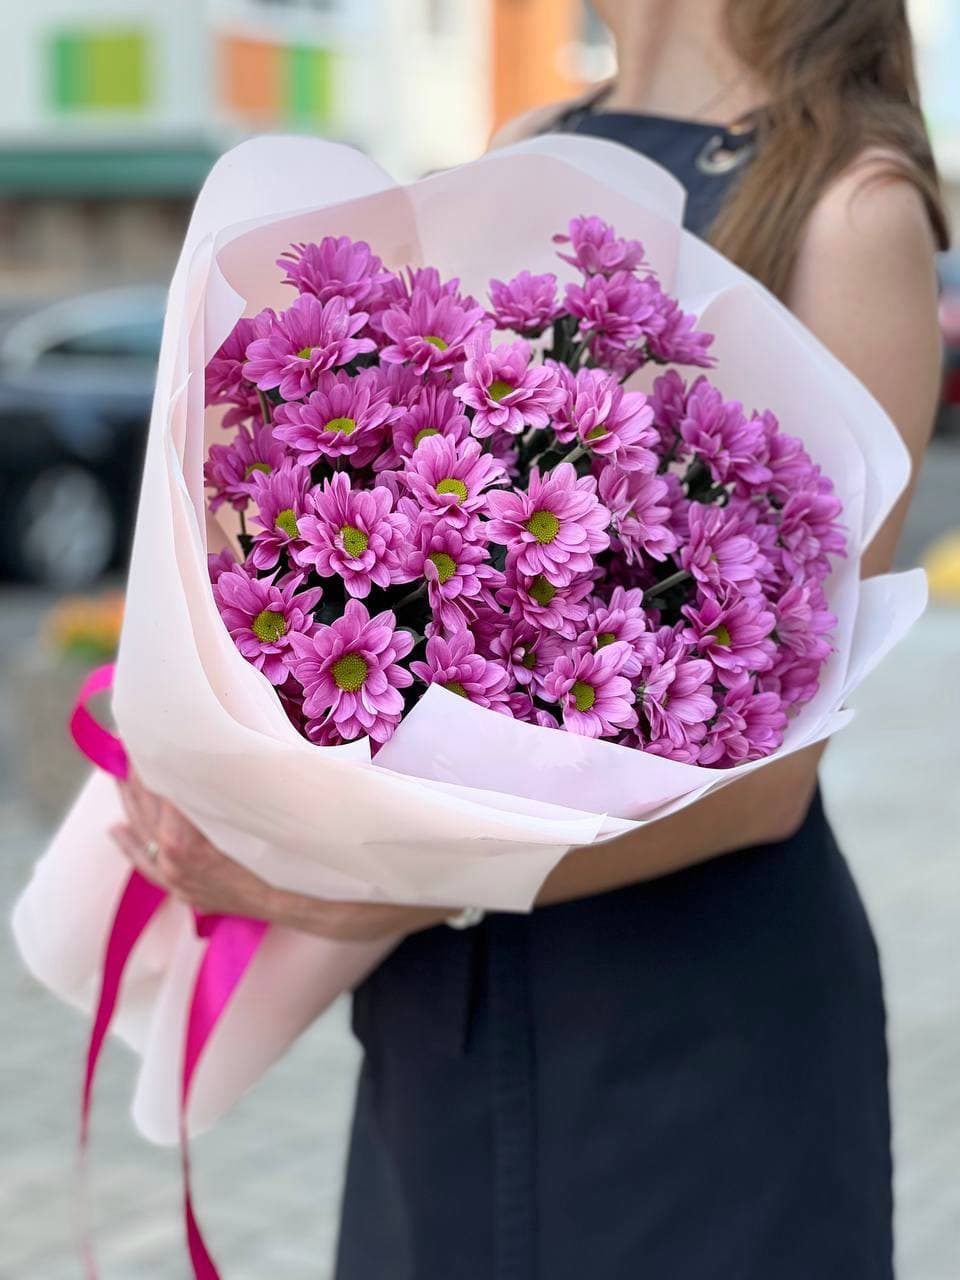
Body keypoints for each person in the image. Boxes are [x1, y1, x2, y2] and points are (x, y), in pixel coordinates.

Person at [112, 1, 948, 1275]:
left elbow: (771, 785)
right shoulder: (544, 135)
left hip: (691, 1023)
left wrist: (341, 887)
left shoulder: (851, 203)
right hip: (450, 1003)